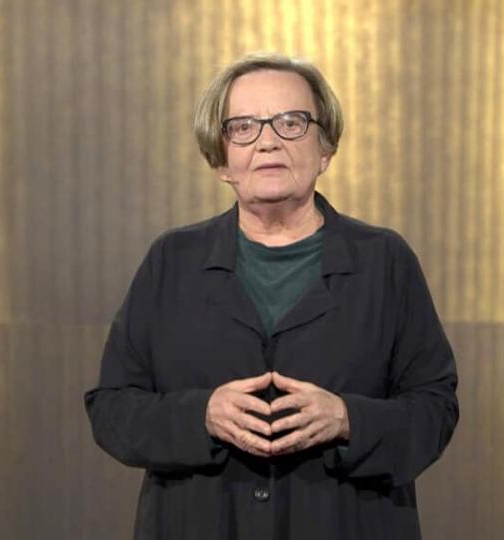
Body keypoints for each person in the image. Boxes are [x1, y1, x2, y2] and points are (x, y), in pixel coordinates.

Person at [84, 51, 459, 540]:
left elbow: (435, 410)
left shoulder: (384, 261)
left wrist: (349, 419)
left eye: (291, 123)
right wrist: (201, 416)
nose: (268, 142)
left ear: (325, 149)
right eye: (243, 127)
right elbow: (111, 409)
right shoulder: (171, 261)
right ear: (221, 159)